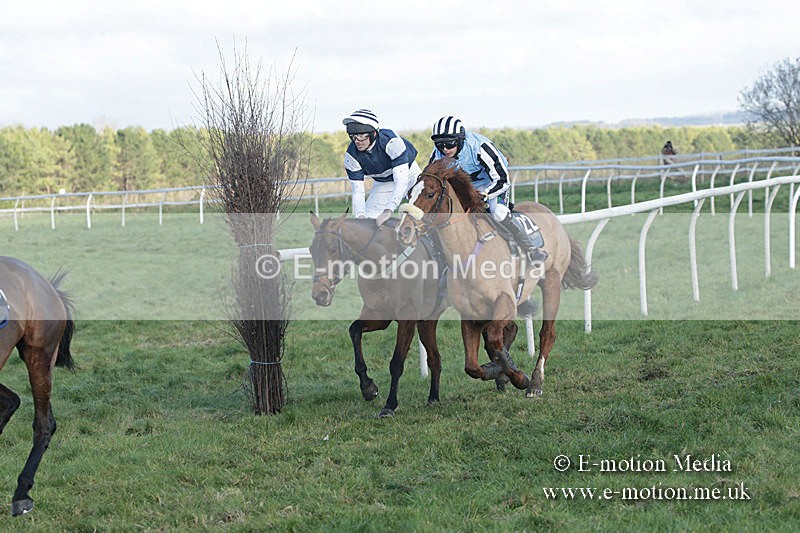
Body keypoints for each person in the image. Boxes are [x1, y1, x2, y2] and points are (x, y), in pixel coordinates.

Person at [427, 115, 547, 263]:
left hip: (492, 183)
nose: (445, 149)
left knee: (498, 213)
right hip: (465, 187)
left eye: (450, 144)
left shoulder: (480, 147)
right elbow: (431, 180)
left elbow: (502, 179)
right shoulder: (438, 153)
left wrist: (485, 195)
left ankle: (531, 249)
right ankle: (443, 259)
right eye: (440, 144)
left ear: (459, 139)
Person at [342, 109, 421, 226]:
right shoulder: (351, 156)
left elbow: (401, 182)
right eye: (353, 137)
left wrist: (388, 210)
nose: (357, 141)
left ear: (374, 134)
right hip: (383, 182)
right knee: (368, 222)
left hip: (408, 174)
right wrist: (360, 216)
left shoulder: (392, 142)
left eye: (362, 136)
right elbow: (358, 191)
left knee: (417, 215)